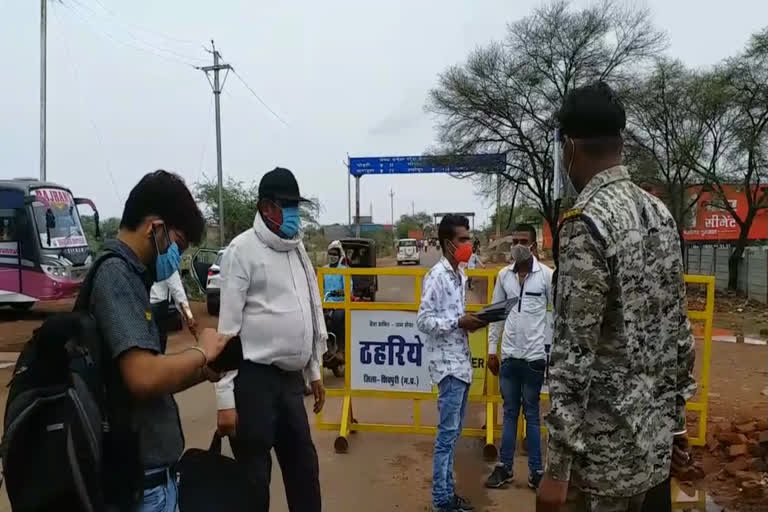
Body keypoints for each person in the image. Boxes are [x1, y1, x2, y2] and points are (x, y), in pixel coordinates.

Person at [537, 82, 696, 512]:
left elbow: (573, 357)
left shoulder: (586, 222)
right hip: (653, 455)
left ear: (568, 147)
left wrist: (556, 470)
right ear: (620, 142)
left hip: (601, 472)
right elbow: (679, 334)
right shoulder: (659, 214)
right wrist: (677, 426)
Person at [89, 170, 229, 511]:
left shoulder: (135, 278)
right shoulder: (115, 275)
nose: (175, 256)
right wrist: (201, 351)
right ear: (155, 228)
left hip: (153, 478)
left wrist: (203, 370)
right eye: (176, 244)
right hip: (139, 483)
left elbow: (146, 378)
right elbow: (143, 376)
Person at [215, 167, 327, 511]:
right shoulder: (242, 251)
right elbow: (227, 330)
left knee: (304, 472)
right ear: (266, 207)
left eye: (296, 205)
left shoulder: (296, 249)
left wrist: (314, 370)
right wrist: (224, 400)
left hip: (290, 382)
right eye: (287, 205)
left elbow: (309, 308)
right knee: (253, 482)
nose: (294, 213)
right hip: (253, 382)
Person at [417, 214, 488, 512]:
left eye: (469, 238)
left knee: (453, 434)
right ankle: (440, 501)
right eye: (463, 239)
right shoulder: (436, 276)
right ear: (448, 243)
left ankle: (447, 494)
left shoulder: (459, 275)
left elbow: (453, 319)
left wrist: (469, 322)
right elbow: (424, 320)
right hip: (446, 366)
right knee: (446, 438)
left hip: (460, 362)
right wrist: (457, 321)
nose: (468, 244)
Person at [485, 224, 553, 491]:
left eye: (523, 241)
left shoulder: (547, 276)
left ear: (534, 244)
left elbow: (557, 317)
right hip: (510, 357)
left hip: (535, 357)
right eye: (514, 241)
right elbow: (496, 314)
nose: (518, 246)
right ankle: (505, 468)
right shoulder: (503, 276)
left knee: (533, 415)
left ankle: (537, 472)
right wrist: (492, 349)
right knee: (510, 413)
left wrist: (555, 353)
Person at [150, 270, 198, 350]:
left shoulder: (136, 260)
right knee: (159, 340)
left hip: (141, 304)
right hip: (158, 307)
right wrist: (189, 317)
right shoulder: (166, 262)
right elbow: (178, 293)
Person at [323, 239, 348, 362]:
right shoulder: (324, 270)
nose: (332, 257)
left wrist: (335, 293)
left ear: (339, 256)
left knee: (338, 318)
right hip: (324, 303)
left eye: (335, 254)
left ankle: (341, 350)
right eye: (331, 254)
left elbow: (348, 290)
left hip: (340, 304)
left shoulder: (344, 270)